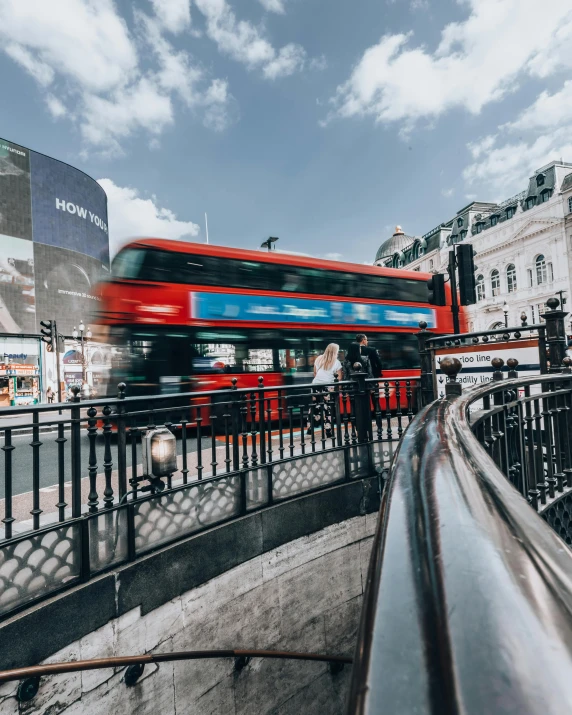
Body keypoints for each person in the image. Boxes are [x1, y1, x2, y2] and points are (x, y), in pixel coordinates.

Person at [307, 343, 343, 438]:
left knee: (314, 407)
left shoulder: (318, 358)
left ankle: (310, 428)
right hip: (328, 387)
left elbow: (315, 373)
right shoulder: (337, 362)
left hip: (315, 385)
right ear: (335, 351)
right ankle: (328, 431)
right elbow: (339, 378)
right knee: (328, 409)